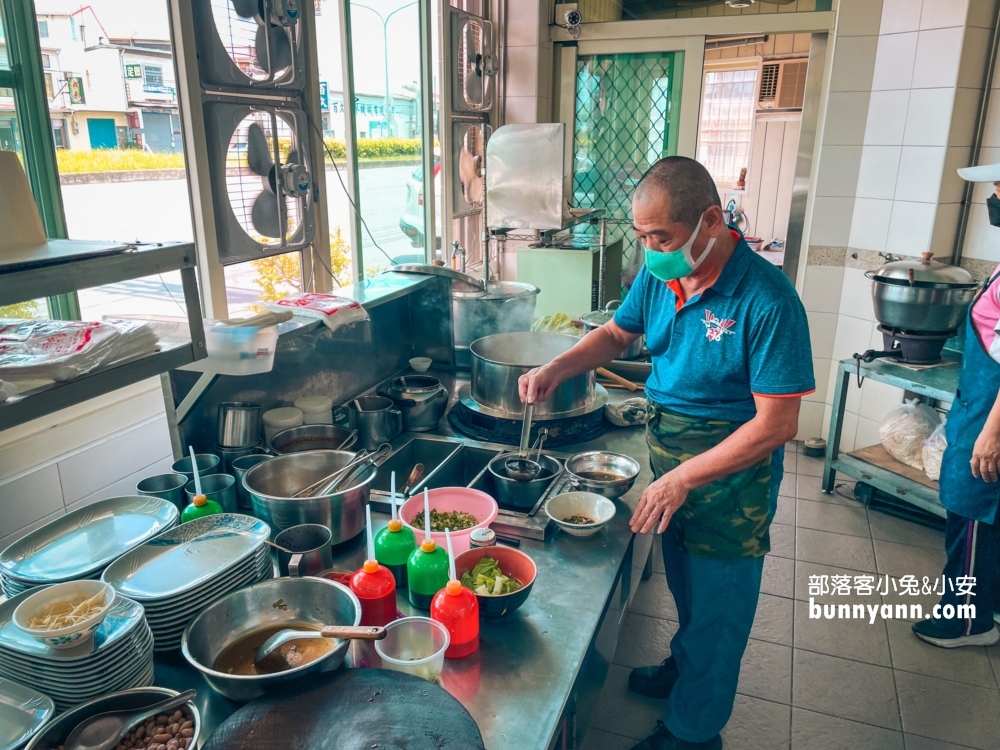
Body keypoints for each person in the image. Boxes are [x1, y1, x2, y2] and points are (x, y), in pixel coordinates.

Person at [519, 157, 814, 750]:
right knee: (684, 580)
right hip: (669, 463)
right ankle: (687, 669)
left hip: (731, 481)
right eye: (643, 237)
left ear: (711, 221)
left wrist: (685, 479)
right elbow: (617, 335)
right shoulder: (661, 275)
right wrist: (556, 367)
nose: (651, 250)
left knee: (719, 607)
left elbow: (777, 422)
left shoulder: (768, 301)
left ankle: (693, 731)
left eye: (662, 238)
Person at [910, 166, 1000, 649]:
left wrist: (992, 433)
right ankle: (990, 606)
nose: (993, 196)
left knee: (972, 513)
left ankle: (966, 620)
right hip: (981, 407)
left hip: (992, 416)